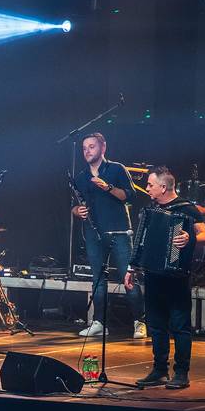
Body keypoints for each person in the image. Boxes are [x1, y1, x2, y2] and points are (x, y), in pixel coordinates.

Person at [125, 167, 205, 389]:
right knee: (156, 325)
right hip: (153, 274)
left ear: (163, 187)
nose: (147, 188)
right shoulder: (150, 210)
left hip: (177, 275)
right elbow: (141, 243)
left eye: (150, 185)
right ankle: (159, 370)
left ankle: (181, 372)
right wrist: (131, 268)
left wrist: (188, 237)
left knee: (180, 325)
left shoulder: (187, 210)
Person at [71, 132, 145, 339]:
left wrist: (108, 187)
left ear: (103, 148)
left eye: (91, 147)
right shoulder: (81, 177)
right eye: (84, 148)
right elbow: (74, 207)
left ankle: (140, 321)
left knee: (128, 276)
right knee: (97, 278)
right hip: (94, 233)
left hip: (120, 231)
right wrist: (78, 211)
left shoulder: (116, 169)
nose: (87, 151)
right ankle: (99, 322)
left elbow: (130, 196)